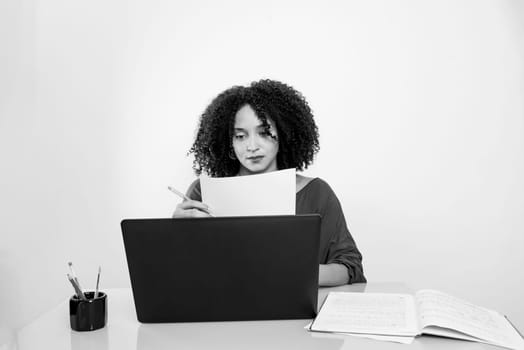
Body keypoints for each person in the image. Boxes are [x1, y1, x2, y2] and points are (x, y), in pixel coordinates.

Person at [173, 79, 366, 286]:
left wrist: (291, 272)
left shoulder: (317, 193)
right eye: (240, 136)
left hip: (296, 311)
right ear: (228, 142)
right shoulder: (203, 193)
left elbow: (350, 267)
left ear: (283, 134)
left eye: (264, 133)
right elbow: (180, 272)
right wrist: (175, 235)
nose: (252, 146)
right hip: (222, 309)